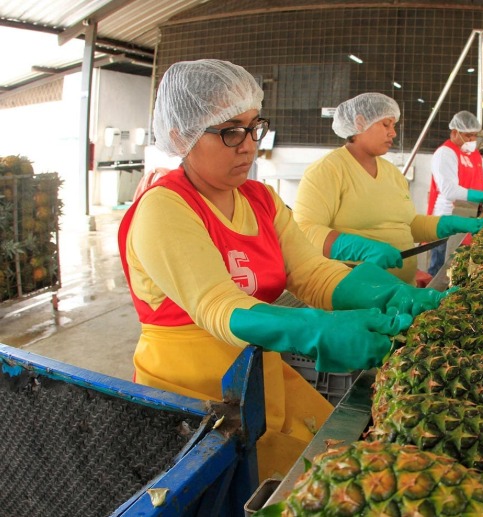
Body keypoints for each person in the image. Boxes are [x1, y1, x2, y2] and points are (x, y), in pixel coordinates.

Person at [118, 60, 449, 481]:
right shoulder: (164, 208)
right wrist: (314, 330)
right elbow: (216, 305)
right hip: (191, 405)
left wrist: (392, 295)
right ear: (181, 135)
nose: (248, 145)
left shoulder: (260, 199)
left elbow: (312, 273)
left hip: (257, 375)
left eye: (254, 126)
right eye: (230, 131)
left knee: (335, 465)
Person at [294, 93, 483, 285]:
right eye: (386, 124)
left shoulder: (392, 173)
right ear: (360, 123)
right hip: (352, 295)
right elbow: (305, 230)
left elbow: (407, 224)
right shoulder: (328, 170)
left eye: (393, 125)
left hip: (402, 293)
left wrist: (448, 225)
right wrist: (361, 248)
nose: (393, 133)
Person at [425, 111, 483, 276]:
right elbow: (449, 190)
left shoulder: (474, 154)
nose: (472, 140)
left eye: (475, 136)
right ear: (454, 132)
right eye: (468, 135)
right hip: (446, 217)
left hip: (468, 214)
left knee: (459, 264)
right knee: (440, 268)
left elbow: (482, 178)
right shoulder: (445, 153)